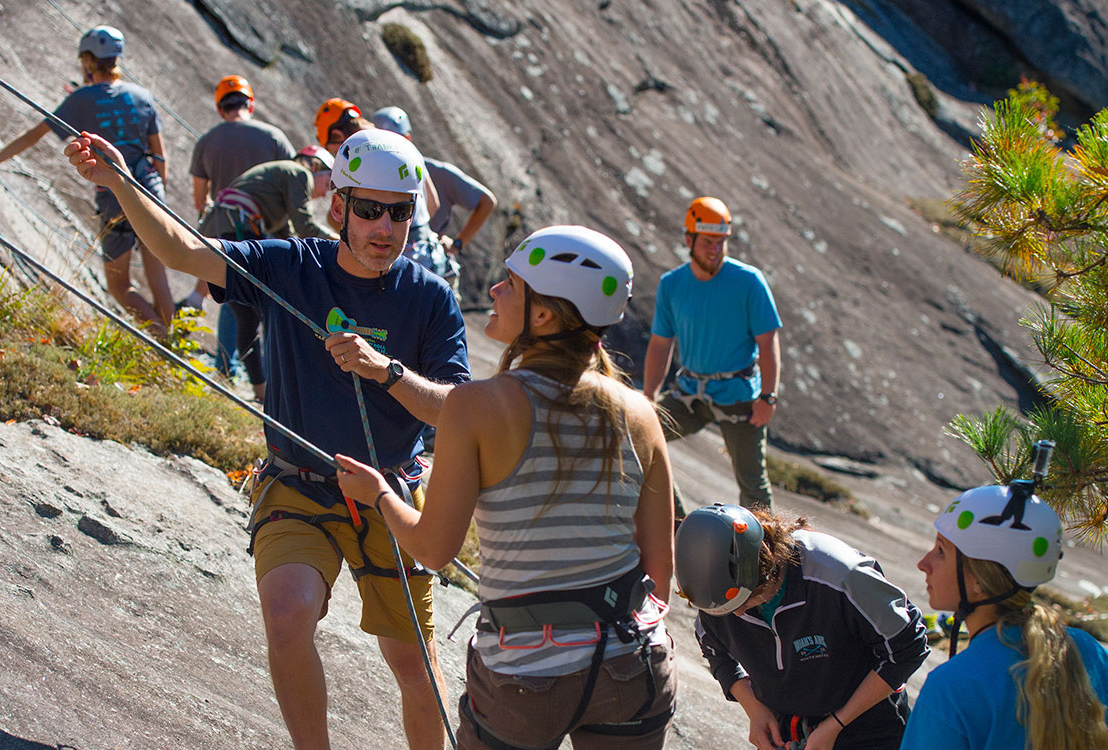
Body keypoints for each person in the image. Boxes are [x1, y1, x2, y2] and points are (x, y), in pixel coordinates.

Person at [63, 127, 470, 749]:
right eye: (368, 209)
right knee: (286, 619)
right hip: (296, 485)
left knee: (411, 664)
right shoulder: (290, 264)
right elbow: (183, 251)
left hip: (388, 493)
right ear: (339, 205)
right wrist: (120, 181)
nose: (384, 227)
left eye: (399, 212)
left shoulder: (431, 301)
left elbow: (451, 411)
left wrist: (384, 370)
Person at [336, 225, 678, 748]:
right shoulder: (639, 414)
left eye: (510, 285)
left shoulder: (475, 406)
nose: (494, 291)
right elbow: (659, 574)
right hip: (634, 663)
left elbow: (433, 547)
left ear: (542, 315)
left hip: (524, 673)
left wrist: (380, 494)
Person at [0, 26, 172, 334]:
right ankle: (175, 350)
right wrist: (160, 195)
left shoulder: (81, 100)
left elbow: (34, 135)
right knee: (158, 273)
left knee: (119, 285)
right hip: (151, 189)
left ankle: (161, 339)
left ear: (88, 61)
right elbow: (160, 156)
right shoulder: (142, 96)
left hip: (115, 197)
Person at [677, 503, 928, 750]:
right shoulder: (717, 594)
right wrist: (755, 709)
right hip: (789, 732)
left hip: (869, 728)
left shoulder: (838, 574)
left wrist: (835, 726)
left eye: (746, 601)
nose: (738, 614)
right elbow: (715, 651)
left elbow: (907, 646)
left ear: (765, 571)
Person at [902, 482, 1108, 749]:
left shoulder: (953, 687)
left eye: (941, 551)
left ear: (978, 579)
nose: (923, 563)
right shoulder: (1087, 650)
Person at [643, 197, 781, 510]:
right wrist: (649, 396)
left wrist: (768, 397)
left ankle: (764, 554)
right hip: (690, 394)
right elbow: (661, 345)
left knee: (752, 484)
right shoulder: (672, 284)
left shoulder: (748, 281)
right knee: (640, 439)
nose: (715, 249)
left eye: (721, 242)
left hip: (739, 397)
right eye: (707, 241)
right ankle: (677, 523)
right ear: (688, 239)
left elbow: (768, 342)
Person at [197, 145, 339, 401]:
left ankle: (260, 389)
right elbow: (305, 227)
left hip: (222, 228)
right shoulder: (299, 173)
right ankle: (264, 389)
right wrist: (340, 243)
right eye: (328, 183)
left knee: (247, 314)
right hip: (236, 227)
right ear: (315, 166)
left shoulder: (277, 187)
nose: (324, 194)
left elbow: (289, 242)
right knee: (254, 313)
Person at [180, 74, 296, 311]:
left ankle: (195, 305)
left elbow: (200, 200)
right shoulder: (274, 137)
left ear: (221, 109)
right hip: (267, 234)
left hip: (225, 231)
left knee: (233, 299)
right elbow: (294, 183)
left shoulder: (206, 142)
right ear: (250, 105)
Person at [314, 99, 446, 281]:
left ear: (337, 135)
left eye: (332, 151)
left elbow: (336, 216)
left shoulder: (359, 155)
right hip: (425, 249)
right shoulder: (404, 146)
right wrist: (402, 217)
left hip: (397, 257)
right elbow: (434, 203)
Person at [374, 106, 496, 282]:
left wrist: (458, 244)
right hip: (417, 261)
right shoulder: (379, 178)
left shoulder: (438, 172)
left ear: (408, 139)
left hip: (428, 263)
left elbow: (486, 201)